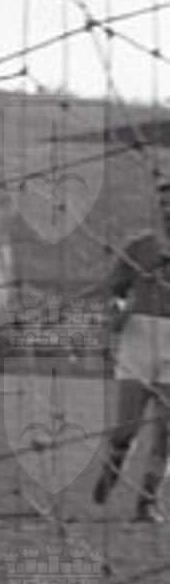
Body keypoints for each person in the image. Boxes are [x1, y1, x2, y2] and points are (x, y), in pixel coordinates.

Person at [94, 176, 170, 523]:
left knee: (167, 430)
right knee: (127, 426)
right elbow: (114, 291)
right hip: (139, 337)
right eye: (164, 204)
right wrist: (117, 310)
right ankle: (113, 466)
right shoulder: (141, 247)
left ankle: (147, 501)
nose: (168, 211)